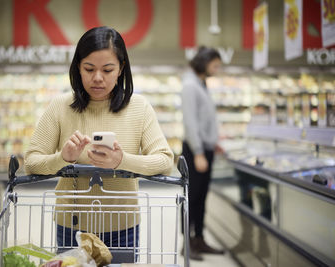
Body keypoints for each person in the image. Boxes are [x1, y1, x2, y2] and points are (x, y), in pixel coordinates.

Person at [24, 26, 174, 250]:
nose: (97, 78)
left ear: (121, 69)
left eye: (107, 70)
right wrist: (63, 158)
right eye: (89, 68)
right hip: (71, 228)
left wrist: (121, 161)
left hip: (123, 229)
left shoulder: (139, 108)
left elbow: (165, 161)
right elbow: (31, 163)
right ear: (78, 68)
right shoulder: (60, 106)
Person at [181, 46, 224, 260]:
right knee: (193, 196)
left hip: (205, 149)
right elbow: (190, 122)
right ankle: (187, 244)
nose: (217, 69)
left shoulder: (201, 84)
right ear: (204, 62)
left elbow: (205, 120)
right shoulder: (190, 85)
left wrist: (212, 143)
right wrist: (198, 151)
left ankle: (199, 238)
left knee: (202, 197)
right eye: (215, 65)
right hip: (194, 150)